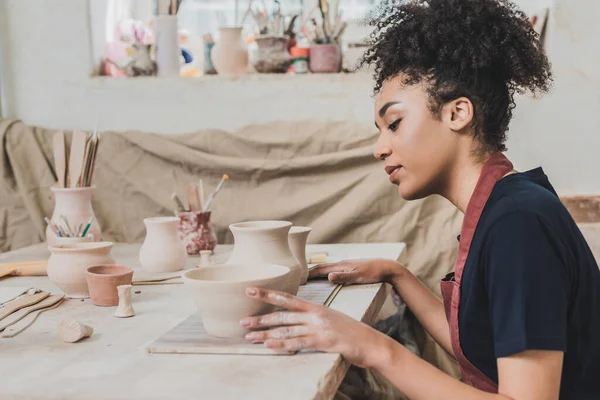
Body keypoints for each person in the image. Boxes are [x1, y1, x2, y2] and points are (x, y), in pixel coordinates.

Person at [239, 0, 600, 398]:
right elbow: (480, 347)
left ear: (458, 113)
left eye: (394, 124)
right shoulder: (505, 207)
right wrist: (398, 275)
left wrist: (371, 347)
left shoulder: (518, 224)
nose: (380, 148)